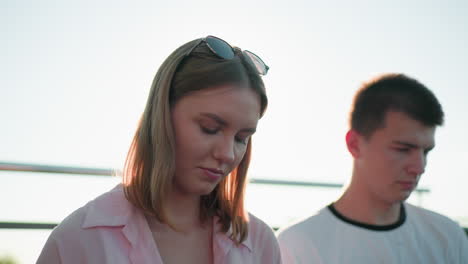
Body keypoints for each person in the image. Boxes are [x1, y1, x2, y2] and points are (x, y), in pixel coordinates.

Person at [37, 35, 281, 264]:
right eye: (210, 128)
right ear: (162, 116)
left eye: (241, 138)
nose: (228, 154)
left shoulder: (260, 244)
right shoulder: (80, 241)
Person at [277, 73, 468, 263]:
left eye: (426, 152)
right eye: (402, 149)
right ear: (355, 144)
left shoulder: (448, 237)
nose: (419, 167)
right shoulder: (297, 244)